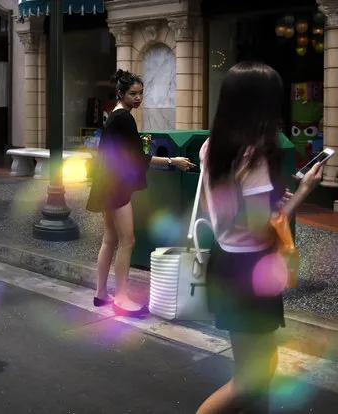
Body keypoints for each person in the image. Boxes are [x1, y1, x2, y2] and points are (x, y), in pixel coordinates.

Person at [197, 61, 325, 413]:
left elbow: (225, 209)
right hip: (248, 269)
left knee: (260, 368)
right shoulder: (252, 154)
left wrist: (267, 201)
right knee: (251, 377)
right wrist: (303, 193)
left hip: (226, 260)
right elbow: (259, 227)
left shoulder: (212, 147)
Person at [86, 69, 196, 317]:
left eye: (140, 93)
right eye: (133, 94)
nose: (138, 98)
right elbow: (137, 157)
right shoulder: (124, 118)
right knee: (128, 241)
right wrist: (172, 161)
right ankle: (121, 298)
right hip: (117, 187)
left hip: (106, 184)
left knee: (110, 240)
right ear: (120, 93)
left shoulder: (114, 116)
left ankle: (101, 293)